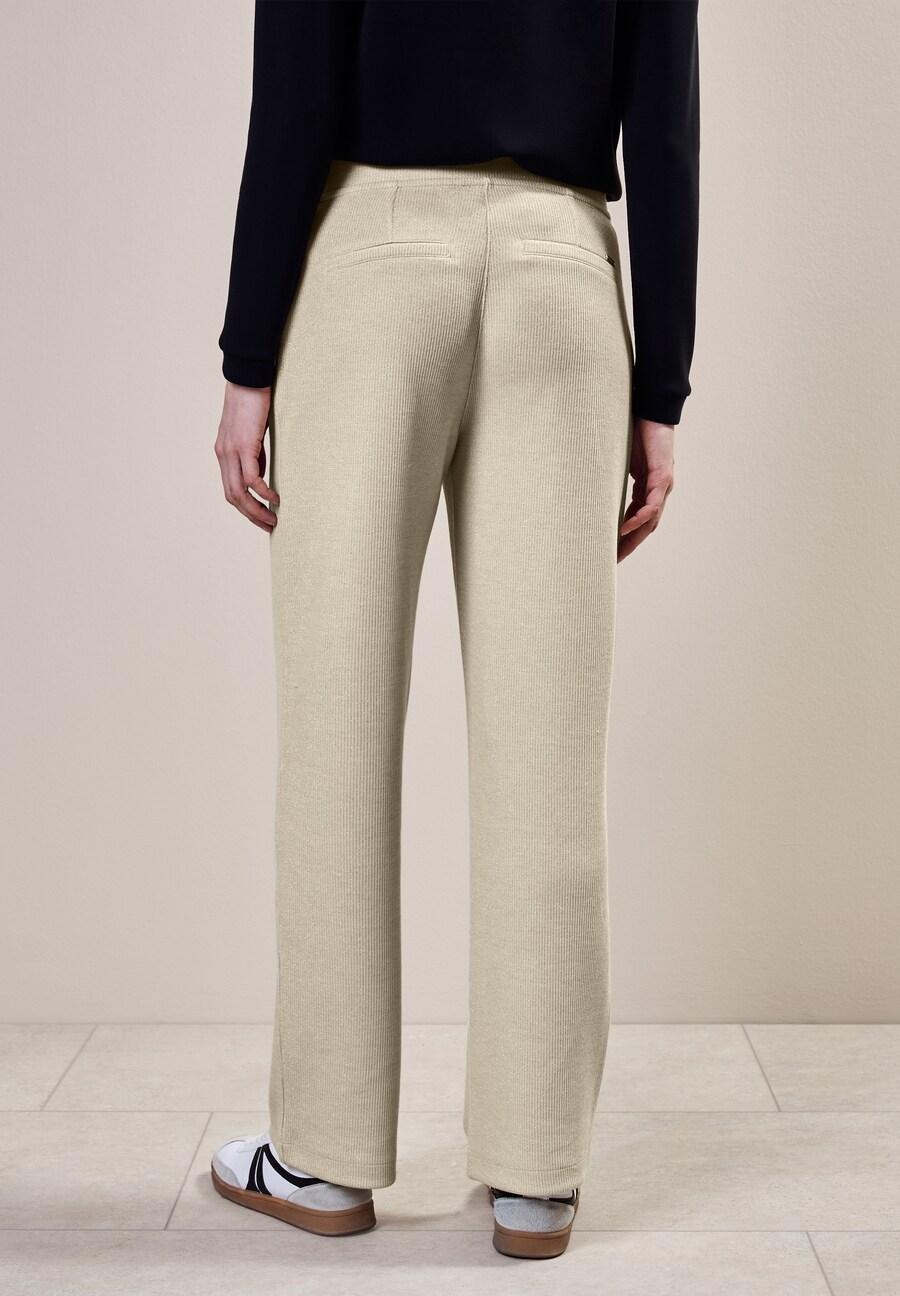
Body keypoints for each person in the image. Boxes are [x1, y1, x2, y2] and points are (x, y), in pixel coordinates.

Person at [212, 0, 698, 1261]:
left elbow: (293, 99)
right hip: (562, 266)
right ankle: (537, 1175)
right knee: (550, 750)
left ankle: (322, 1158)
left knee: (336, 729)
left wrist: (248, 359)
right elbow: (665, 126)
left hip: (370, 257)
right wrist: (661, 388)